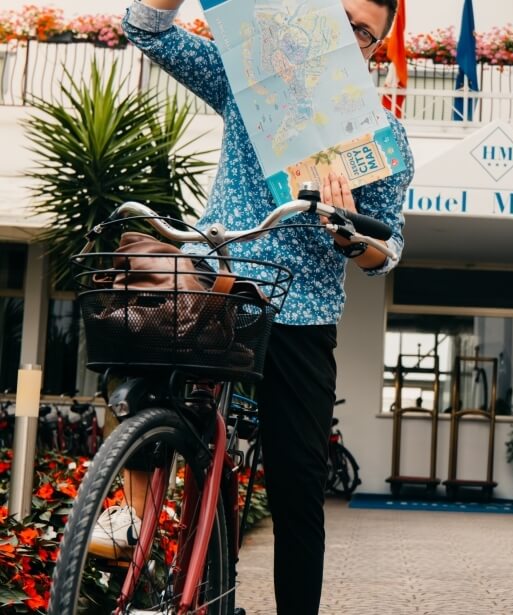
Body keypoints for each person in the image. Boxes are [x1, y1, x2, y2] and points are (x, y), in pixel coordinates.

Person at [91, 1, 412, 613]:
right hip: (221, 284)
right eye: (338, 21)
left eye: (364, 34)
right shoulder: (253, 80)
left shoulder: (383, 137)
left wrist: (350, 235)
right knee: (144, 335)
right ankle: (129, 506)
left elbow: (388, 247)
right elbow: (146, 29)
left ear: (376, 51)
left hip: (303, 312)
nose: (349, 39)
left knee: (298, 494)